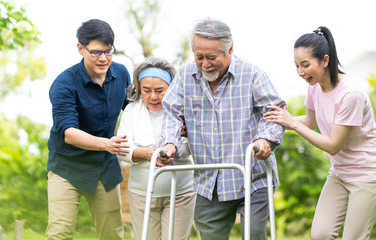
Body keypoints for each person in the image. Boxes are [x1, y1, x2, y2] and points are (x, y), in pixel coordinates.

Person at [157, 18, 285, 240]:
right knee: (210, 235)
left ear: (230, 50)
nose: (205, 64)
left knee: (253, 234)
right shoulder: (186, 76)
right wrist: (170, 143)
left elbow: (274, 113)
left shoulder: (252, 74)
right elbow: (171, 112)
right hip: (209, 180)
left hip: (252, 177)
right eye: (199, 57)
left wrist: (266, 140)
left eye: (212, 57)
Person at [264, 26, 376, 240]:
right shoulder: (314, 87)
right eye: (296, 66)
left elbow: (333, 144)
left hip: (367, 174)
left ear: (324, 60)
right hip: (340, 173)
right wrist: (281, 121)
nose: (300, 72)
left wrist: (293, 125)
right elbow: (311, 121)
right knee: (321, 234)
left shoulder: (351, 94)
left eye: (305, 65)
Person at [46, 19, 131, 240]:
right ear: (80, 49)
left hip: (104, 166)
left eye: (108, 51)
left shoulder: (121, 74)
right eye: (95, 52)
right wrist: (107, 144)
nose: (103, 58)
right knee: (60, 233)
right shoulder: (64, 84)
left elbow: (134, 113)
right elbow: (68, 133)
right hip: (67, 167)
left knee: (112, 235)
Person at [116, 56, 196, 240]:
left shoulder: (183, 110)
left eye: (160, 90)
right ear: (138, 88)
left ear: (171, 88)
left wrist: (178, 145)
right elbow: (123, 147)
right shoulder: (132, 111)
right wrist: (147, 154)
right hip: (142, 193)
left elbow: (193, 147)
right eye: (146, 90)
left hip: (181, 192)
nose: (153, 96)